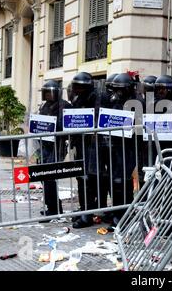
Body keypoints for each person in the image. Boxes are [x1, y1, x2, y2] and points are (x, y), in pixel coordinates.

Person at [69, 72, 101, 228]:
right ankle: (84, 210)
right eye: (76, 86)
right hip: (80, 143)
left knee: (87, 178)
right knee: (81, 177)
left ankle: (87, 214)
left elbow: (96, 119)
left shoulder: (96, 98)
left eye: (80, 87)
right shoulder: (77, 100)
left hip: (91, 145)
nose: (77, 90)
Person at [37, 80, 72, 218]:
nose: (48, 95)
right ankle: (51, 205)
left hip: (58, 146)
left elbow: (68, 126)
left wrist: (53, 126)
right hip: (44, 145)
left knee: (50, 176)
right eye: (46, 93)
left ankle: (55, 208)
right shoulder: (45, 106)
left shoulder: (65, 106)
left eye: (50, 93)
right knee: (43, 176)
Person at [107, 73, 138, 224]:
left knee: (123, 181)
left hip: (129, 147)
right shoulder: (115, 102)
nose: (117, 93)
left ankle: (125, 213)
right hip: (115, 146)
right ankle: (117, 211)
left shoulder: (137, 102)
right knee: (116, 180)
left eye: (120, 90)